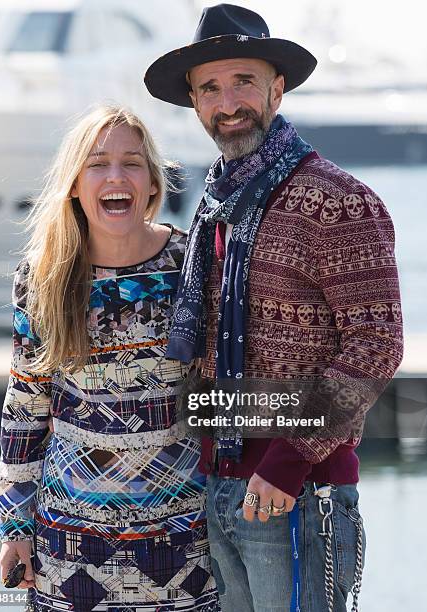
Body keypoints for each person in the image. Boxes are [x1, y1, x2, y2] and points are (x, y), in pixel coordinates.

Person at [144, 4, 404, 612]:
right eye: (210, 87)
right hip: (219, 483)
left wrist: (285, 466)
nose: (228, 101)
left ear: (277, 90)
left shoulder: (336, 202)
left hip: (299, 492)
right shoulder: (216, 206)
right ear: (195, 102)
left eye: (243, 82)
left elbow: (376, 347)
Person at [0, 105, 220, 611]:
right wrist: (14, 525)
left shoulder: (192, 266)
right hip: (69, 552)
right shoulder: (44, 277)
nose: (116, 176)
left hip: (184, 547)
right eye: (97, 164)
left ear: (154, 184)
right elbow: (25, 407)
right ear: (75, 184)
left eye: (132, 163)